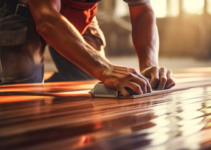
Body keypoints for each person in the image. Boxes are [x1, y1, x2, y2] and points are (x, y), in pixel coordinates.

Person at [0, 0, 175, 96]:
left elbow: (142, 10)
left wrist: (148, 65)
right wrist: (104, 68)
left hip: (79, 11)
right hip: (20, 8)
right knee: (23, 90)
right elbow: (46, 19)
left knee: (89, 83)